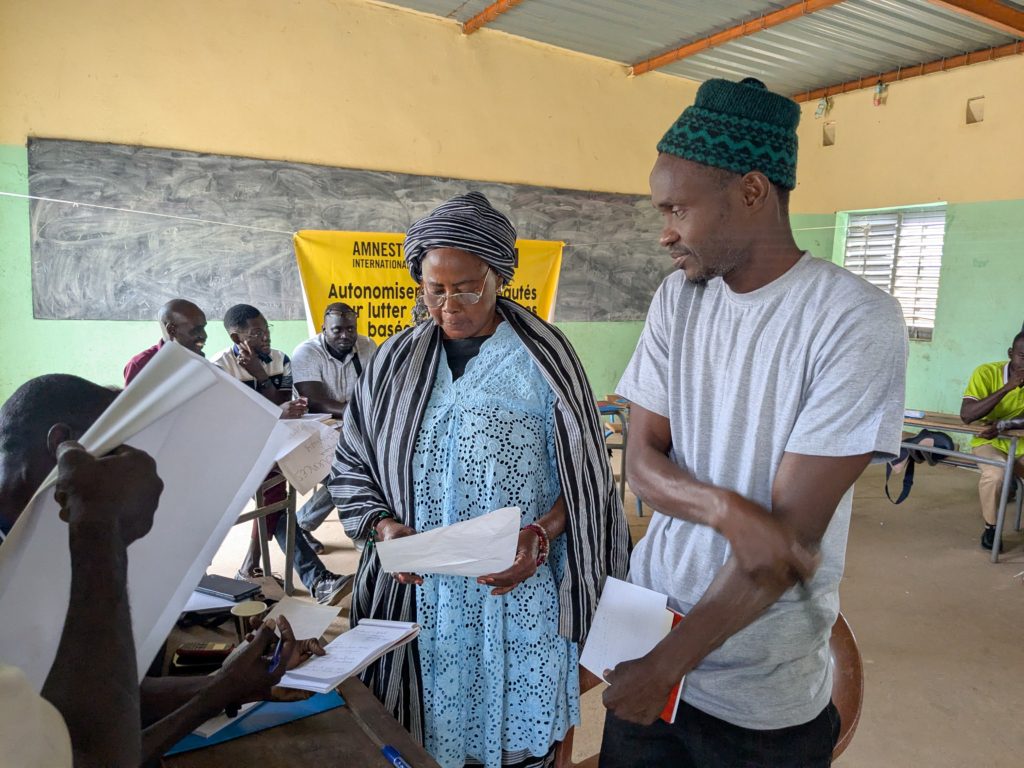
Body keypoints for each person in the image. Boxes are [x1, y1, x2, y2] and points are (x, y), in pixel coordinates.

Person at [598, 77, 908, 767]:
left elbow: (784, 546)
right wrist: (732, 513)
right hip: (645, 639)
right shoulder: (678, 300)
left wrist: (665, 667)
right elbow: (643, 463)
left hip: (756, 698)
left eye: (678, 207)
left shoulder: (853, 320)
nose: (664, 231)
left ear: (751, 191)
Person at [329, 192, 630, 768]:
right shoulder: (393, 363)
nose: (448, 304)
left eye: (465, 286)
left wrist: (540, 535)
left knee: (521, 741)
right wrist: (386, 528)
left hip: (517, 588)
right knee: (427, 737)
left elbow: (588, 477)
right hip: (424, 596)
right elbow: (353, 461)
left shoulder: (545, 358)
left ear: (499, 278)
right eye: (434, 289)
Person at [0, 375, 322, 765]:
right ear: (64, 449)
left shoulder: (28, 540)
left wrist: (227, 684)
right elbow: (92, 754)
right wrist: (100, 528)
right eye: (115, 454)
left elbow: (92, 694)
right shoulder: (74, 536)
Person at [212, 304, 352, 605]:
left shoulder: (280, 360)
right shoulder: (221, 368)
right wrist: (273, 403)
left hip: (277, 446)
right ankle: (316, 579)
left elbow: (280, 405)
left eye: (267, 330)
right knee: (275, 498)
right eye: (256, 334)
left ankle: (253, 565)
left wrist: (269, 388)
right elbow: (232, 421)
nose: (265, 338)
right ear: (237, 338)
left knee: (334, 466)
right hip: (236, 453)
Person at [290, 302, 377, 553]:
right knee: (345, 470)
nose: (345, 336)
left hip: (354, 426)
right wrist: (357, 413)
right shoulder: (306, 352)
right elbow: (315, 401)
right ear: (323, 329)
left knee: (374, 463)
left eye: (350, 329)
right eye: (337, 330)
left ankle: (301, 525)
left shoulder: (367, 346)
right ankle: (359, 533)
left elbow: (373, 389)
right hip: (316, 427)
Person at [960, 332, 1024, 552]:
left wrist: (1003, 425)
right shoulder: (986, 373)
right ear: (1011, 354)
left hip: (1019, 443)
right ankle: (991, 526)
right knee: (995, 475)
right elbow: (967, 415)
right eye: (1023, 356)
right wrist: (1008, 387)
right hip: (988, 442)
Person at [124, 298, 208, 385]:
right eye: (197, 330)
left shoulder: (200, 360)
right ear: (172, 330)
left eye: (203, 328)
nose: (204, 335)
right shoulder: (141, 366)